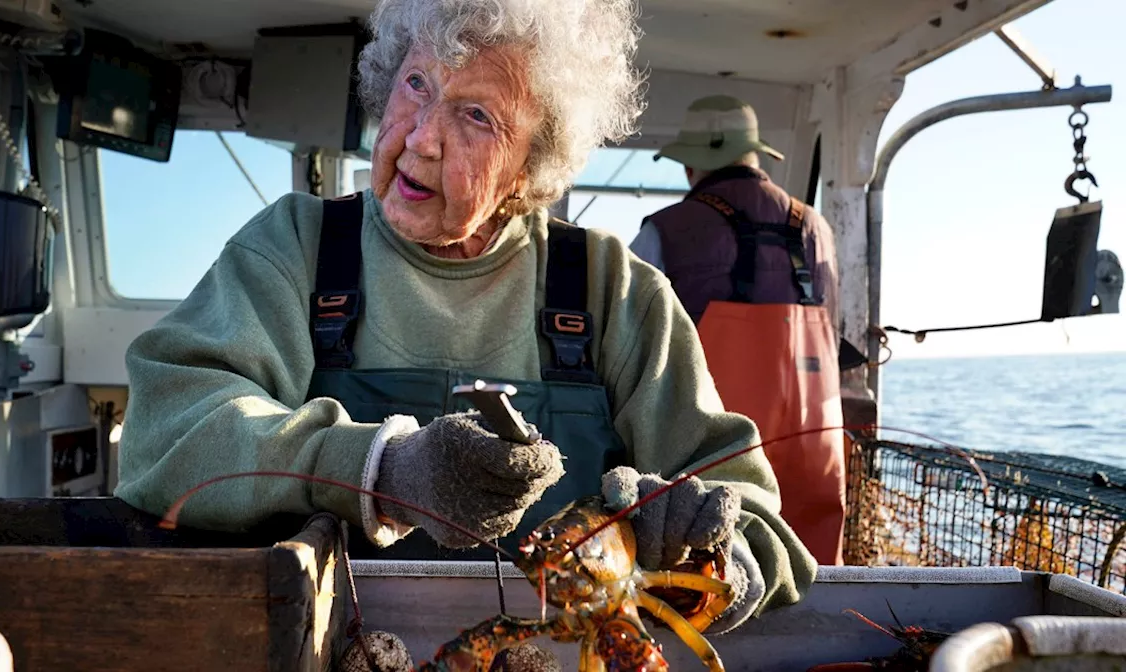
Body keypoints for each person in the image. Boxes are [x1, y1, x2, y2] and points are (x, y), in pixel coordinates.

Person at [114, 0, 816, 643]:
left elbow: (761, 530)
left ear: (531, 166)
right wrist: (379, 470)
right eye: (416, 84)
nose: (421, 140)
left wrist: (707, 552)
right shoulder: (296, 248)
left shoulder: (613, 290)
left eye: (477, 116)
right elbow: (164, 435)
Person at [629, 94, 849, 565]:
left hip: (717, 448)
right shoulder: (818, 228)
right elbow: (835, 325)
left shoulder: (665, 230)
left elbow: (628, 339)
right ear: (754, 156)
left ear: (693, 166)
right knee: (812, 570)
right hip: (814, 440)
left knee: (711, 568)